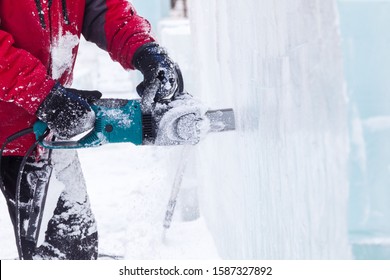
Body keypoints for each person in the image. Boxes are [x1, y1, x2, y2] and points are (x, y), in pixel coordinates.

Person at [0, 0, 187, 260]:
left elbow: (103, 10)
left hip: (41, 132)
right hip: (16, 123)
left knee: (71, 250)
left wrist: (144, 50)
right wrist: (45, 97)